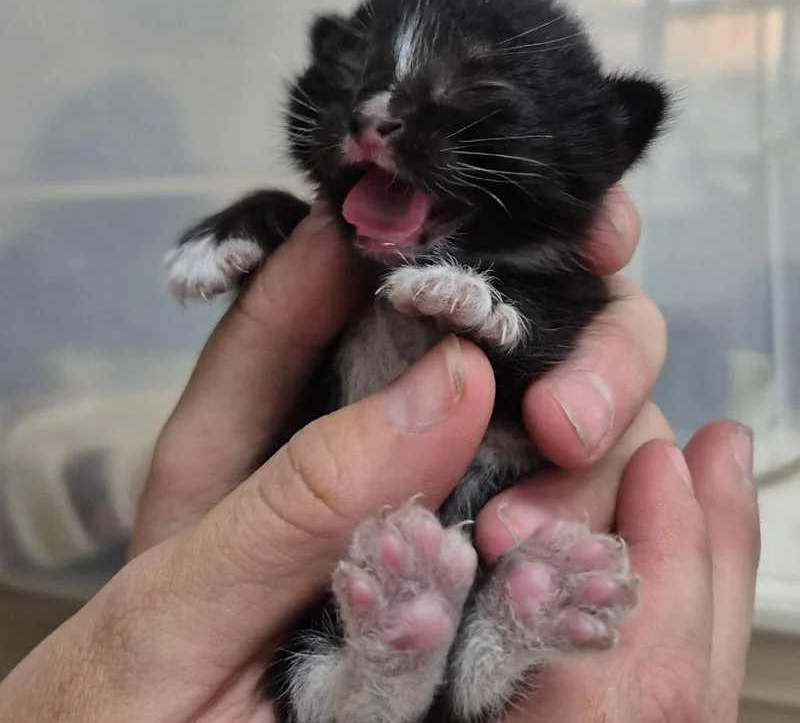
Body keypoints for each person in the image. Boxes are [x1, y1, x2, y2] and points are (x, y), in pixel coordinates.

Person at [0, 188, 759, 722]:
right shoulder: (335, 251)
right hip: (326, 626)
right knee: (345, 634)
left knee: (470, 582)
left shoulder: (535, 261)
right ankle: (419, 666)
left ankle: (474, 649)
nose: (383, 122)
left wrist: (505, 310)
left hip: (442, 585)